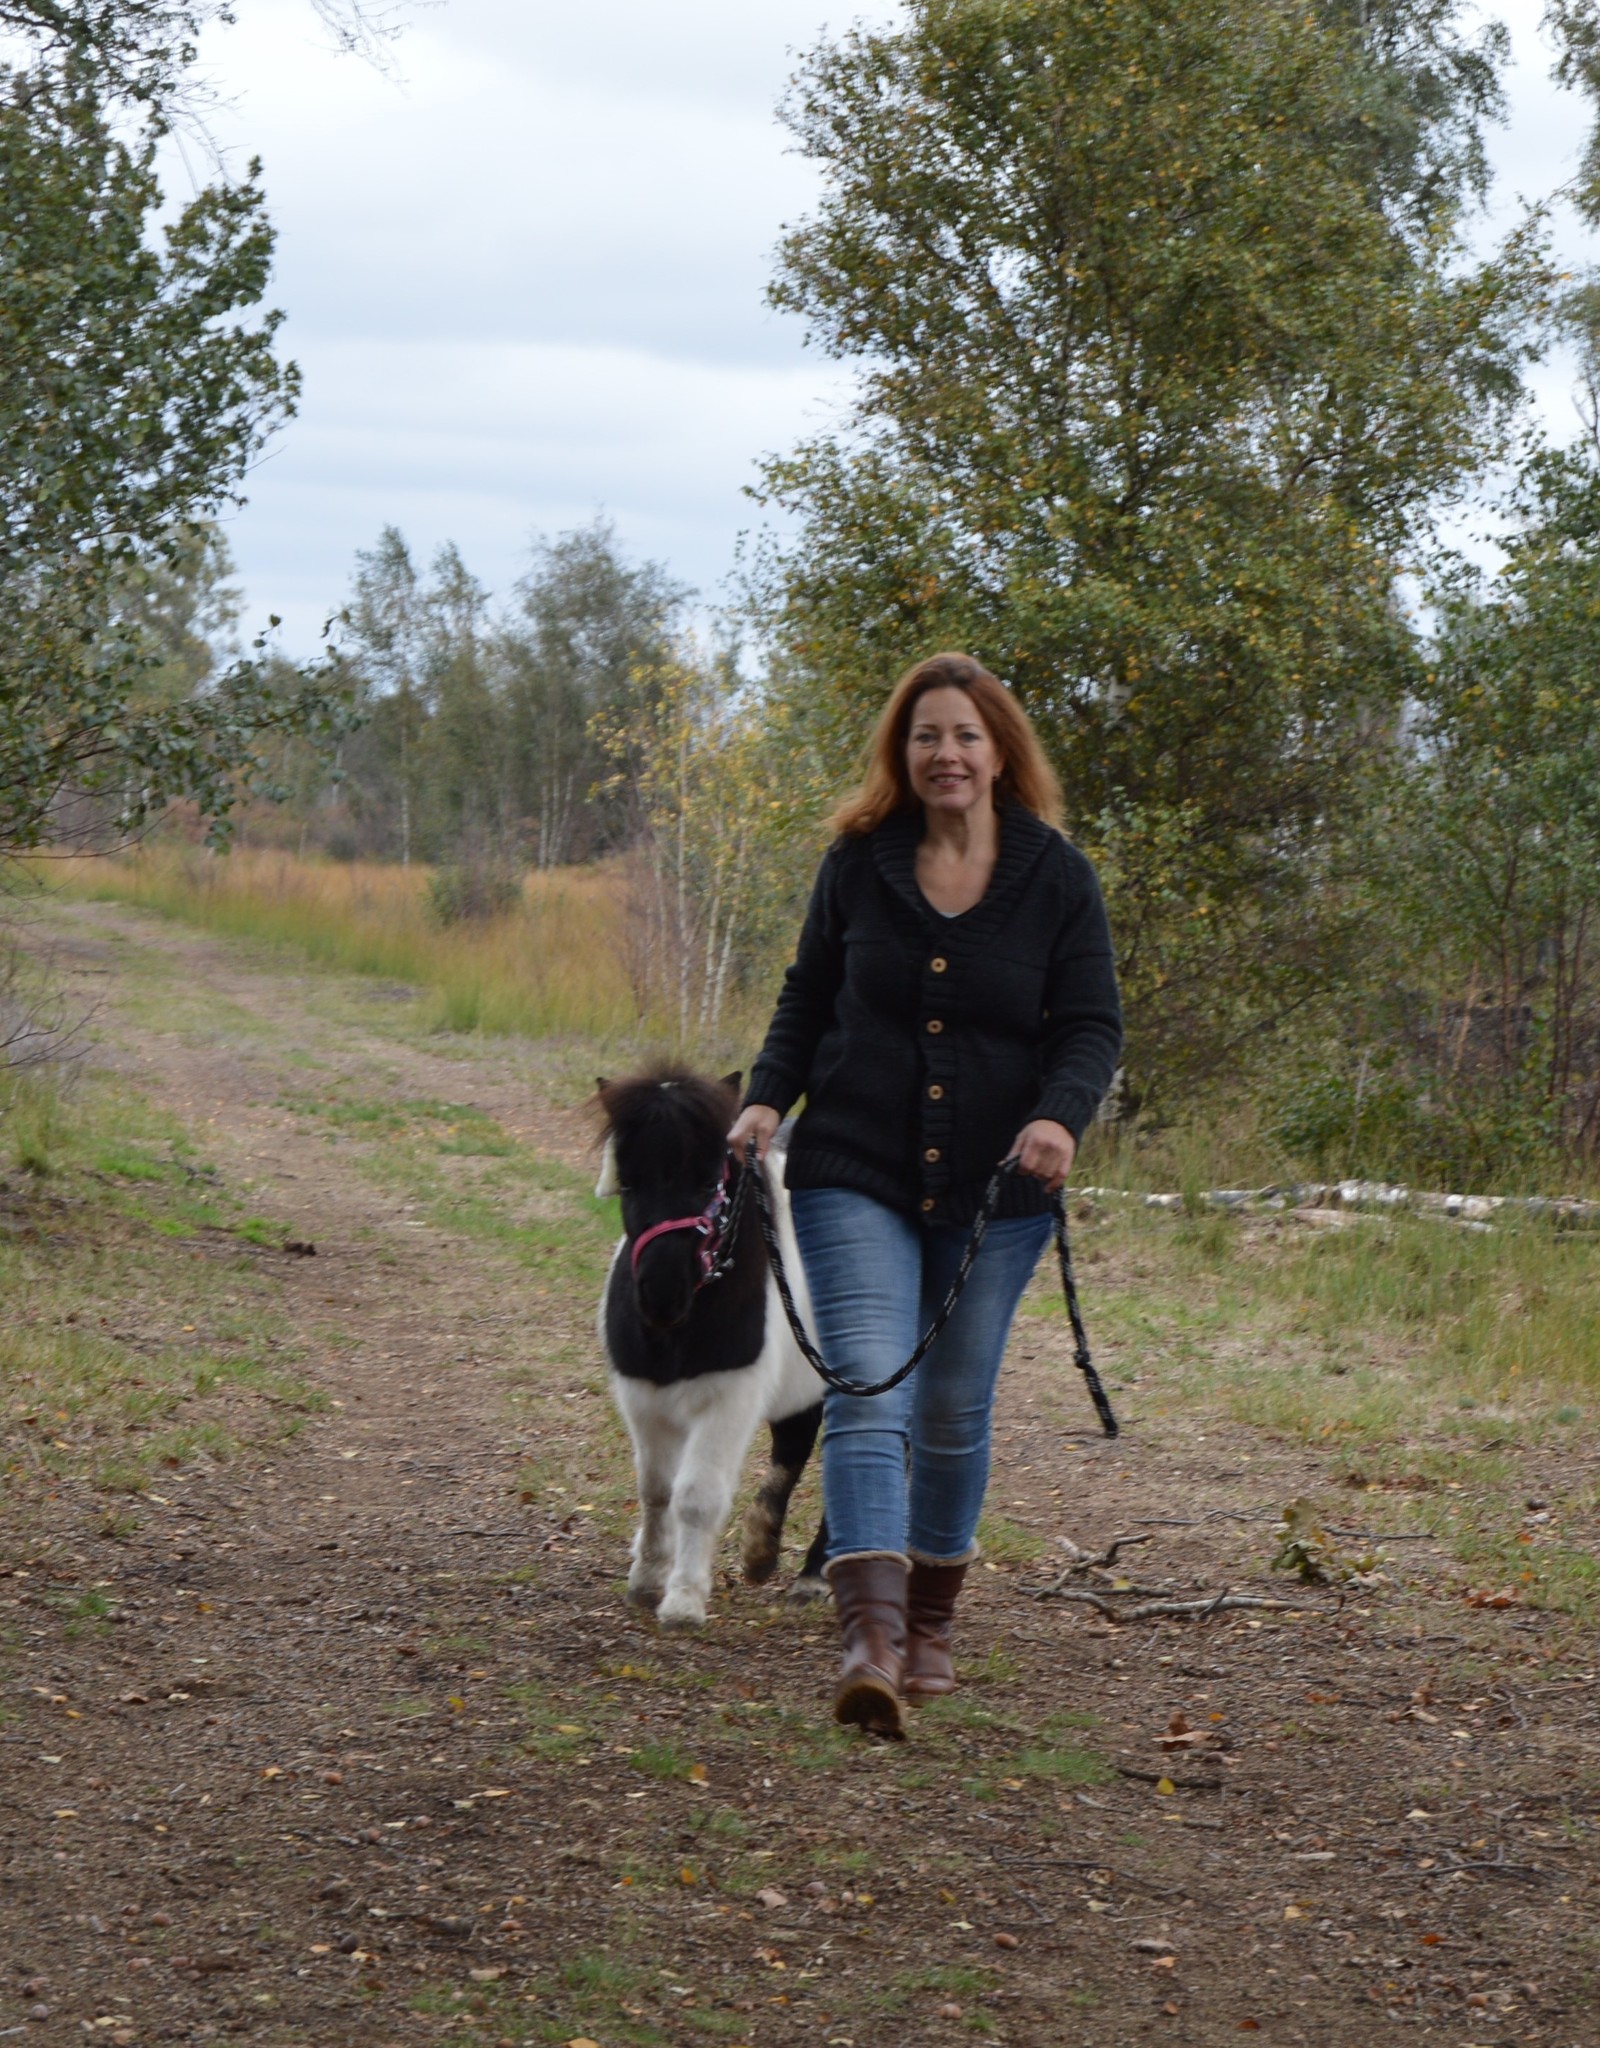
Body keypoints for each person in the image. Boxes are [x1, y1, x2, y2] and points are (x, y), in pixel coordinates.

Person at [728, 652, 1123, 1738]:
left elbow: (1091, 1023)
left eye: (963, 735)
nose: (944, 754)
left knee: (950, 1404)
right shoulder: (858, 863)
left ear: (999, 752)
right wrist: (767, 1097)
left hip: (999, 1184)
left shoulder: (1055, 876)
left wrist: (1059, 1114)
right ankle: (867, 1636)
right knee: (865, 1384)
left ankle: (932, 1618)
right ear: (900, 756)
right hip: (851, 1161)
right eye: (923, 737)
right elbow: (808, 992)